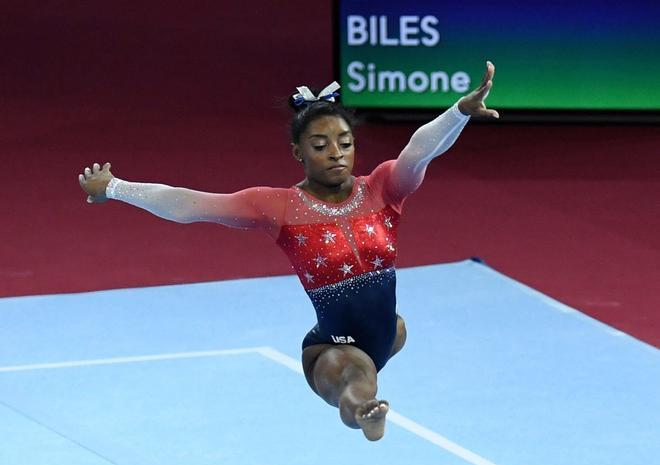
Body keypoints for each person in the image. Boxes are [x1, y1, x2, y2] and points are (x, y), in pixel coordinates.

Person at [79, 62, 498, 441]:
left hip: (387, 333)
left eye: (345, 142)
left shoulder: (384, 188)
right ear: (299, 153)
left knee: (392, 332)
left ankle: (369, 384)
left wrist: (458, 111)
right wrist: (115, 188)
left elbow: (419, 151)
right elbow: (190, 205)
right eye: (320, 145)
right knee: (355, 374)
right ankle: (366, 414)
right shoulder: (279, 207)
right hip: (332, 346)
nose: (336, 152)